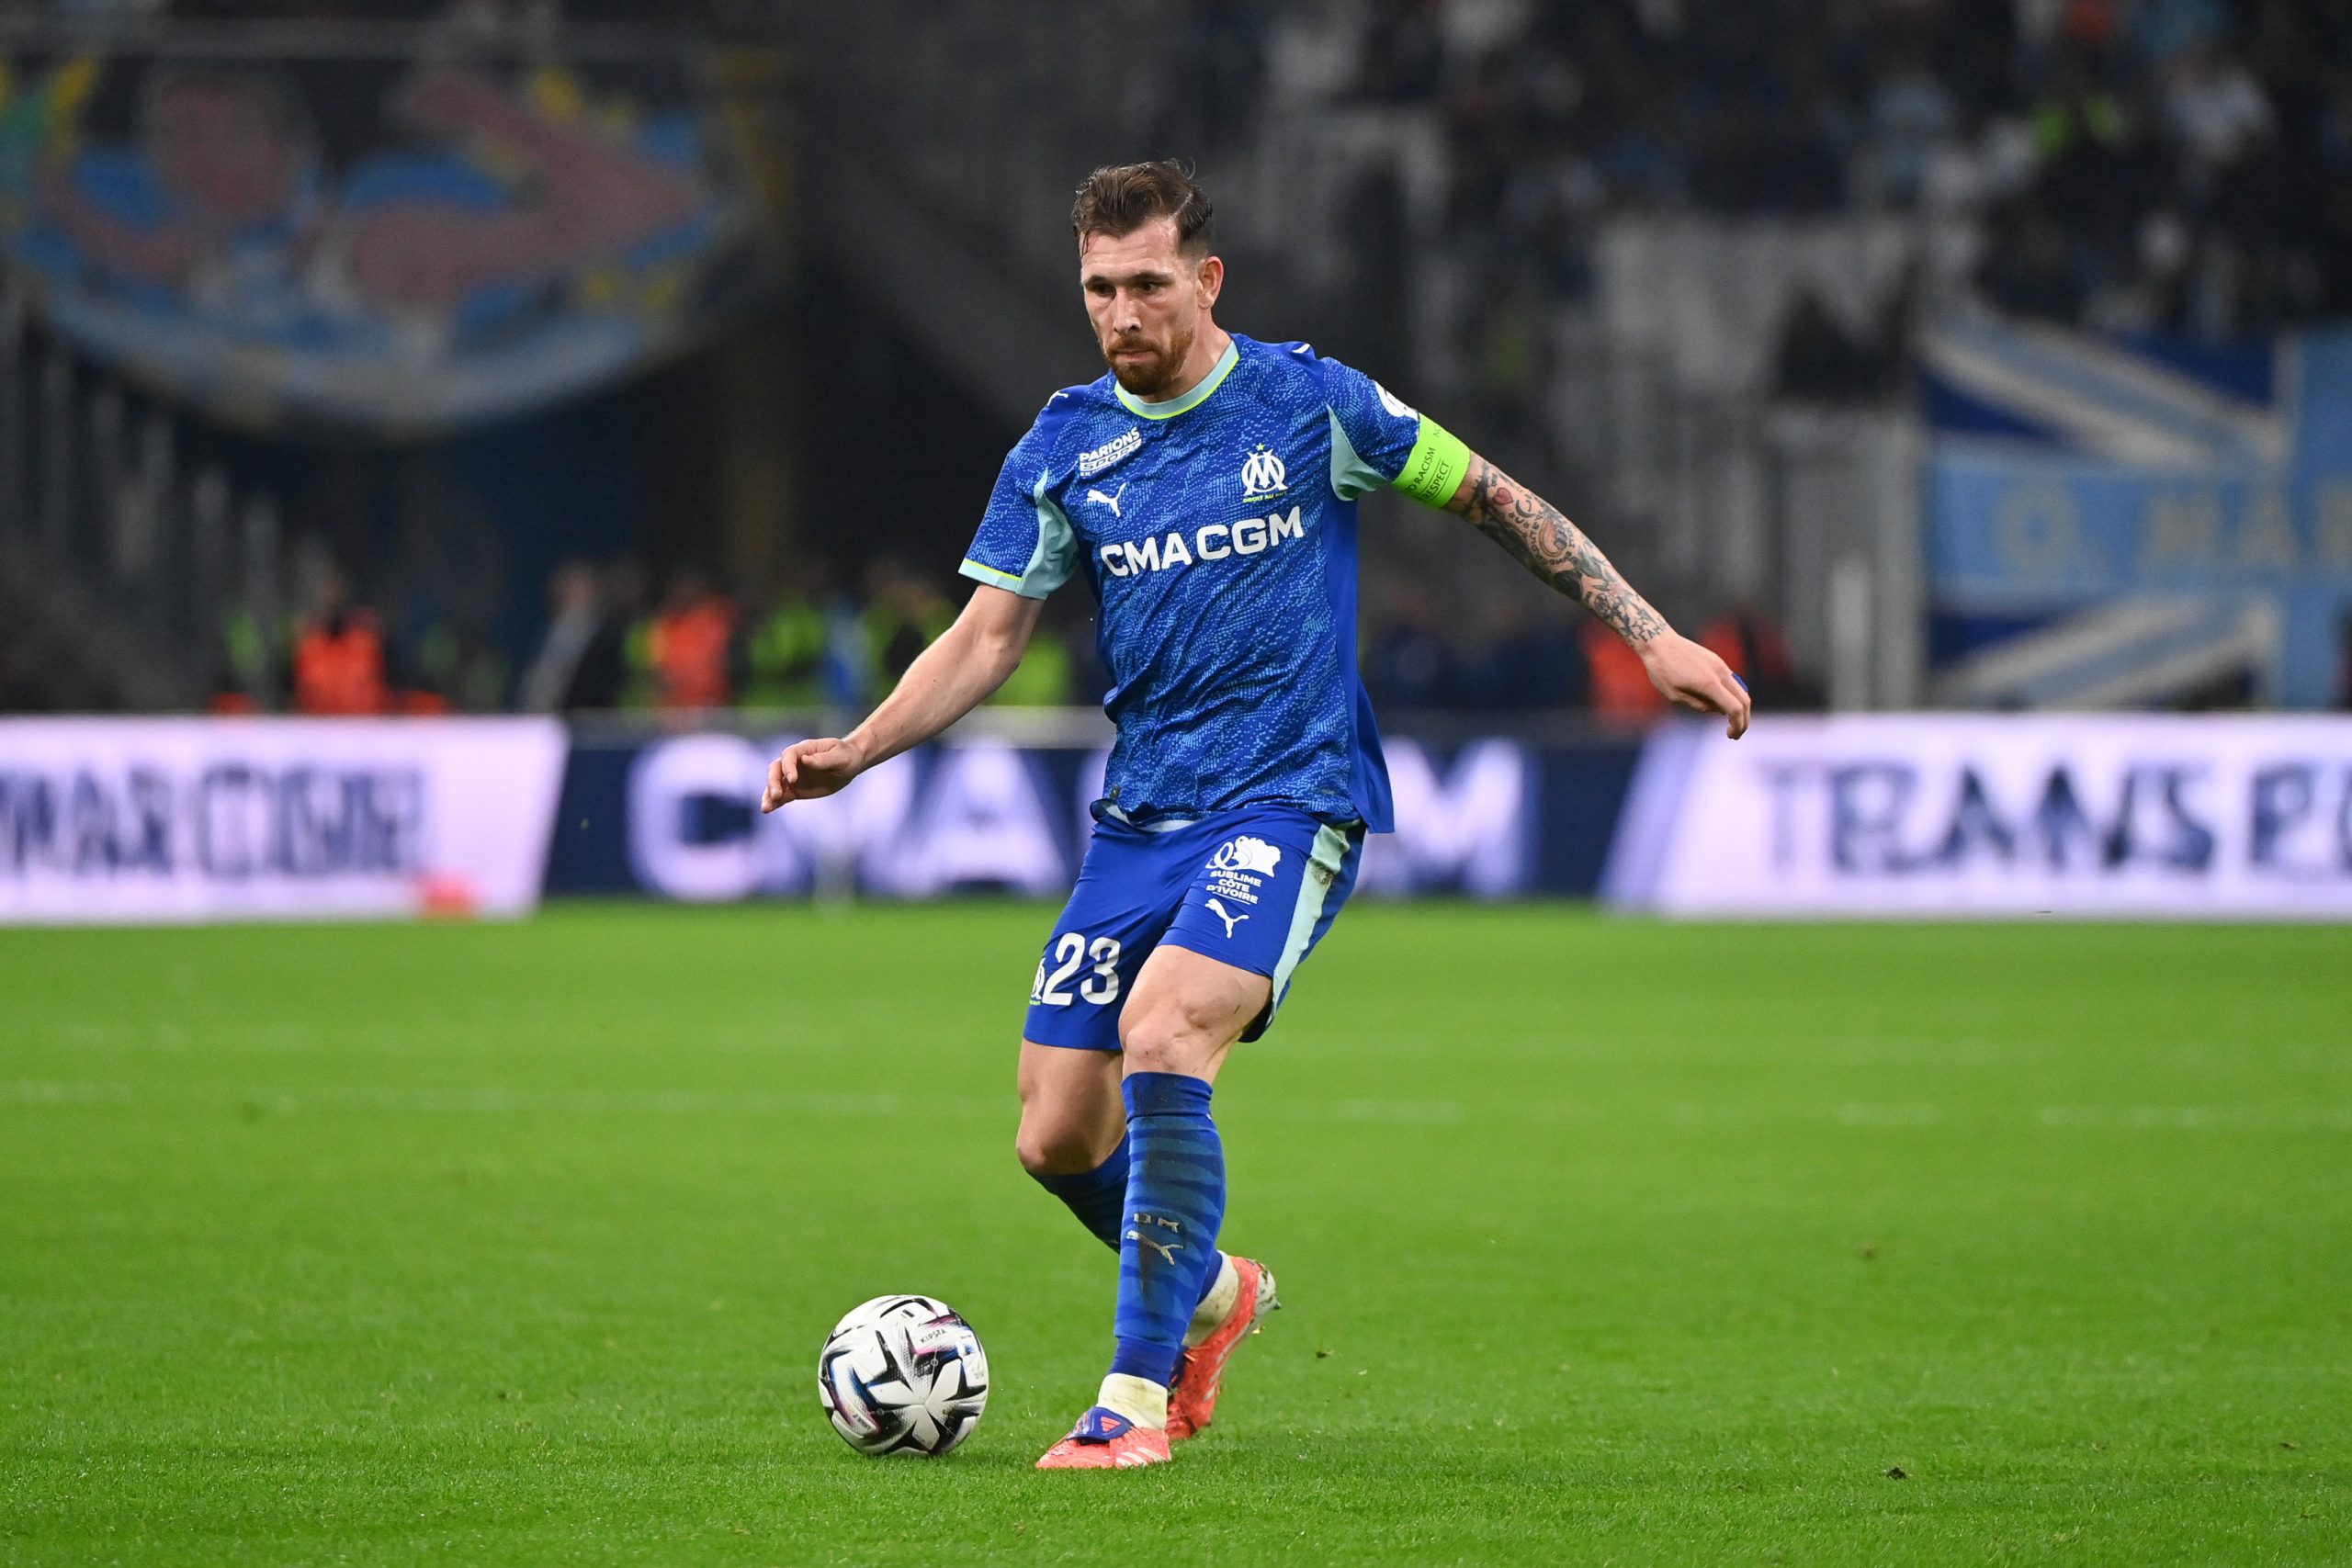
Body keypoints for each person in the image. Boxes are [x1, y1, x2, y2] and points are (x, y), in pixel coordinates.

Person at [759, 162, 1748, 1472]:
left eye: (1148, 285)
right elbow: (988, 637)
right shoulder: (1062, 444)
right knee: (1055, 1133)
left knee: (1165, 1030)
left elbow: (1496, 499)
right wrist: (861, 748)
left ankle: (1131, 1401)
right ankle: (1217, 1293)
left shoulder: (1312, 402)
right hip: (1141, 819)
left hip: (1291, 797)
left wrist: (1651, 632)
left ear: (1207, 279)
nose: (1122, 314)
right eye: (1100, 290)